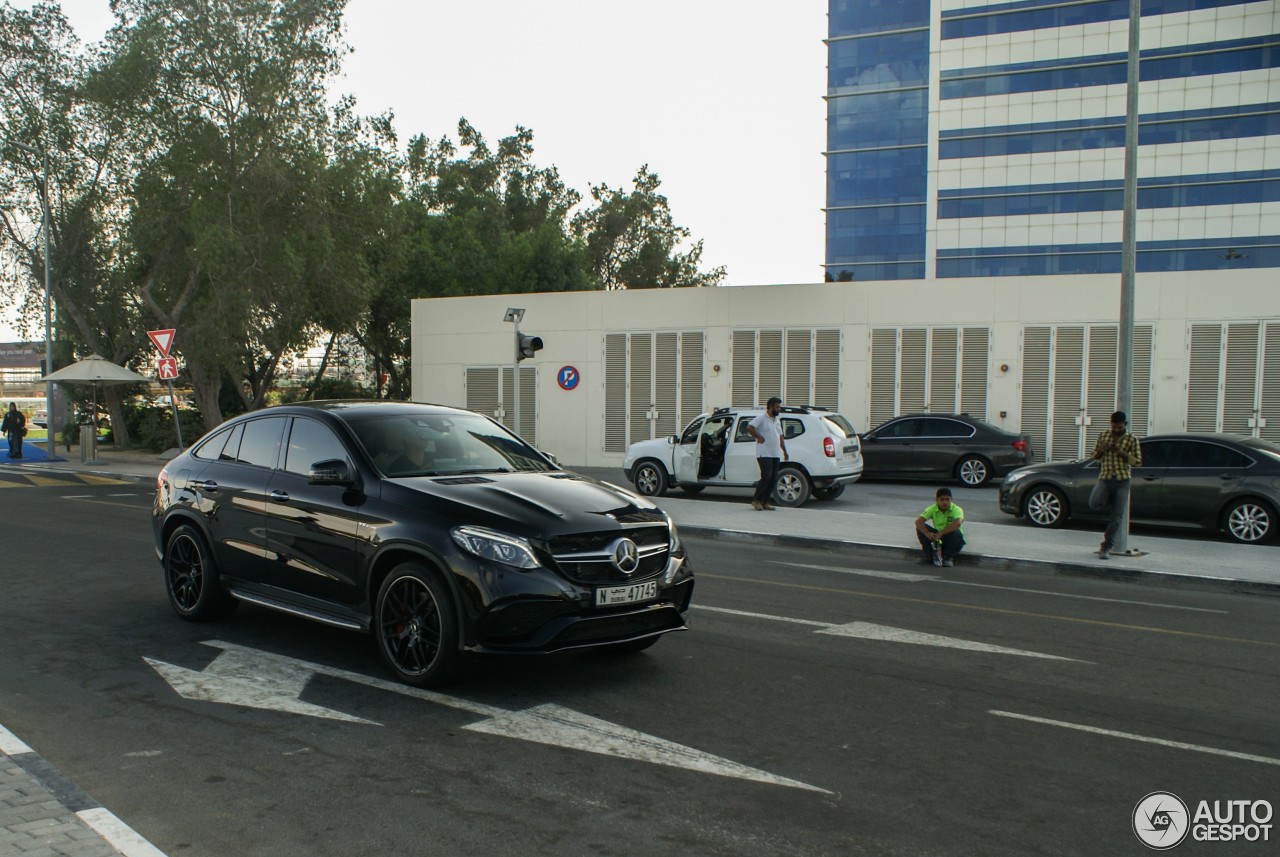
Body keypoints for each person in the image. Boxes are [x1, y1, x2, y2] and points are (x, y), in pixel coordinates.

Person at [1089, 409, 1142, 559]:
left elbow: (1138, 462)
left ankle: (1106, 546)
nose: (1116, 430)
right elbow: (1094, 456)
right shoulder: (1103, 435)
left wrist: (1122, 453)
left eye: (1119, 427)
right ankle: (1109, 500)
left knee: (1117, 517)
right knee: (1093, 503)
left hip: (1122, 480)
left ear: (1125, 424)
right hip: (1105, 478)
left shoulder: (1132, 439)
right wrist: (1101, 450)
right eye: (1114, 426)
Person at [745, 396, 787, 511]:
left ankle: (765, 502)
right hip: (763, 453)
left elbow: (781, 437)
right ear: (770, 407)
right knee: (766, 477)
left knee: (773, 478)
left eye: (780, 407)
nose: (779, 409)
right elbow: (749, 427)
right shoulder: (762, 418)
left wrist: (785, 451)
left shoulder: (777, 420)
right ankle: (756, 500)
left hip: (775, 454)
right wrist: (758, 436)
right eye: (777, 407)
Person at [914, 487, 965, 567]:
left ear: (951, 499)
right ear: (936, 500)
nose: (945, 502)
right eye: (942, 499)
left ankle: (948, 558)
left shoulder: (957, 509)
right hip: (938, 538)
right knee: (921, 528)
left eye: (947, 499)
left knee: (956, 532)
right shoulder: (932, 509)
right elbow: (918, 522)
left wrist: (941, 533)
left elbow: (957, 523)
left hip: (952, 540)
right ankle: (929, 556)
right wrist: (927, 534)